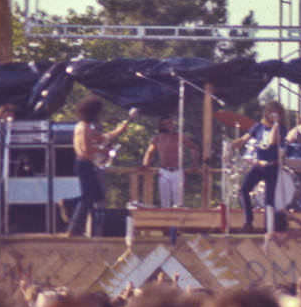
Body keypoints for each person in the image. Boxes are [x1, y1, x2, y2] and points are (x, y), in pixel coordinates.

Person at [64, 97, 133, 237]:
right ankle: (73, 225)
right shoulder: (83, 128)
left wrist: (120, 129)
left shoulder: (86, 127)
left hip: (87, 164)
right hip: (83, 164)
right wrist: (104, 151)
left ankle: (73, 215)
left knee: (96, 195)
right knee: (88, 197)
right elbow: (85, 149)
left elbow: (103, 137)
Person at [231, 101, 286, 232]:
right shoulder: (258, 126)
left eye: (275, 112)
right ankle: (248, 222)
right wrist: (231, 145)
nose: (272, 114)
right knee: (244, 189)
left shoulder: (281, 129)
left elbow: (273, 141)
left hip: (272, 165)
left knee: (269, 198)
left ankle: (269, 227)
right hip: (259, 164)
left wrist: (276, 123)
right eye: (270, 111)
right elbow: (244, 139)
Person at [142, 117, 201, 208]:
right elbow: (149, 152)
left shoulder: (179, 136)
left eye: (171, 123)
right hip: (164, 172)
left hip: (177, 171)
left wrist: (194, 164)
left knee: (178, 203)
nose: (170, 126)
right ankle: (166, 221)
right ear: (162, 126)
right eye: (167, 124)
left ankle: (177, 221)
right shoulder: (157, 138)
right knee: (165, 202)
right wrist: (145, 165)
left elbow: (193, 148)